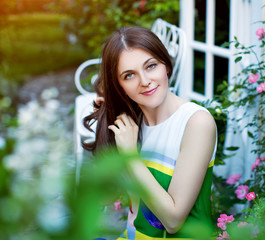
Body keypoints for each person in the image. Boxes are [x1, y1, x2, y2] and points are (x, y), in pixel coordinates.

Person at [83, 26, 217, 239]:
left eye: (151, 66)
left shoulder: (196, 122)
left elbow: (173, 221)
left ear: (166, 65)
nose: (144, 81)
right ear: (119, 86)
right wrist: (110, 114)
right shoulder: (132, 122)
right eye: (129, 75)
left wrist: (131, 156)